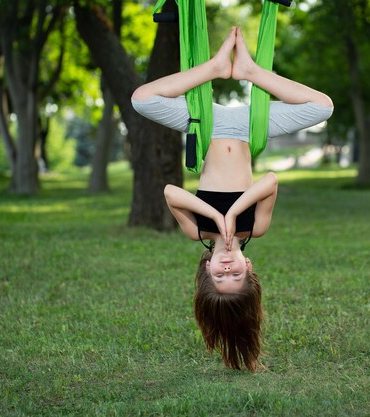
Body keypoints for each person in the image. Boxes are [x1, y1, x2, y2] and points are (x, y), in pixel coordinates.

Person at [131, 27, 333, 371]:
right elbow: (269, 181)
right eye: (235, 277)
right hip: (248, 126)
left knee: (141, 99)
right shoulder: (256, 227)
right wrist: (236, 211)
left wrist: (214, 214)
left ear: (206, 271)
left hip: (204, 123)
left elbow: (171, 193)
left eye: (218, 278)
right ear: (249, 269)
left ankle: (213, 68)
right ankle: (251, 72)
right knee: (323, 107)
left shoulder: (198, 232)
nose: (227, 271)